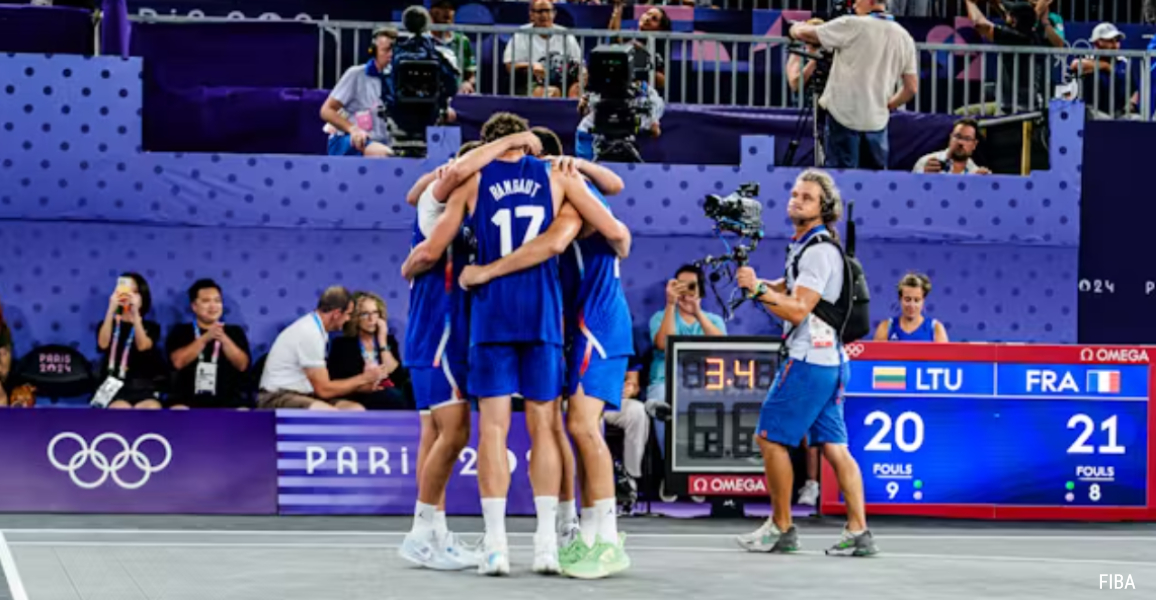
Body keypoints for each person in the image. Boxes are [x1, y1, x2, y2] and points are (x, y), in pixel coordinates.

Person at [421, 112, 611, 576]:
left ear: (485, 143)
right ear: (527, 144)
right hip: (543, 312)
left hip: (491, 312)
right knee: (545, 427)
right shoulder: (556, 176)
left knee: (493, 430)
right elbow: (612, 205)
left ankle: (496, 547)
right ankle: (546, 544)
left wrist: (437, 266)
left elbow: (433, 233)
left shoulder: (472, 182)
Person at [458, 151, 632, 579]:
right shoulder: (568, 188)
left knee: (582, 428)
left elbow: (616, 238)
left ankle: (606, 537)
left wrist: (484, 272)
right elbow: (614, 185)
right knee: (563, 428)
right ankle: (582, 530)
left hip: (599, 324)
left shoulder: (572, 201)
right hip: (572, 326)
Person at [396, 137, 533, 572]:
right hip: (439, 332)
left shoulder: (465, 209)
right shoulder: (442, 196)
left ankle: (433, 533)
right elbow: (443, 182)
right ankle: (422, 533)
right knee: (452, 434)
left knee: (434, 434)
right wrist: (511, 141)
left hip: (439, 332)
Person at [735, 169, 877, 557]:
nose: (797, 199)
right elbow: (790, 287)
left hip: (809, 362)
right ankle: (859, 531)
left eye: (807, 197)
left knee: (769, 437)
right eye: (795, 193)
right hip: (830, 361)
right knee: (835, 447)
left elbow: (798, 309)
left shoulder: (817, 251)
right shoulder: (808, 245)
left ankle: (781, 527)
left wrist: (757, 289)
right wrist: (764, 285)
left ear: (823, 208)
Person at [788, 0, 918, 170]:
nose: (854, 4)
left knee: (840, 182)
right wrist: (887, 105)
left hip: (843, 117)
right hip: (876, 121)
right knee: (874, 182)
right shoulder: (904, 36)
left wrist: (795, 28)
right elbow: (911, 88)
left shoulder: (852, 24)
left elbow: (808, 34)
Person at [257, 287, 388, 410]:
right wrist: (365, 378)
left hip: (305, 394)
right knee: (328, 414)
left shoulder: (319, 330)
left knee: (355, 410)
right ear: (336, 314)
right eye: (348, 314)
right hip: (277, 397)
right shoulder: (309, 332)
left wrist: (361, 386)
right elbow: (324, 390)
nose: (348, 319)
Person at [645, 264, 727, 449]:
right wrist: (670, 304)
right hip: (664, 382)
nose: (686, 291)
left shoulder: (713, 320)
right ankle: (669, 472)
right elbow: (663, 344)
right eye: (681, 285)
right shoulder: (660, 317)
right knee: (661, 401)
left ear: (701, 290)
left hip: (702, 384)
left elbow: (722, 347)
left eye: (691, 286)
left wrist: (697, 312)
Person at [166, 279, 251, 409]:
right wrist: (205, 337)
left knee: (243, 411)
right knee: (177, 411)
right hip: (187, 399)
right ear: (194, 306)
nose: (213, 306)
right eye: (206, 301)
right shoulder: (181, 331)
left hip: (228, 399)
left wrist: (223, 338)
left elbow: (242, 365)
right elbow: (178, 362)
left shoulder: (234, 332)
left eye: (217, 301)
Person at [321, 26, 397, 157]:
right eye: (386, 50)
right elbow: (326, 111)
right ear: (373, 51)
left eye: (394, 50)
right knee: (386, 155)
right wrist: (352, 129)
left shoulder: (398, 79)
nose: (391, 55)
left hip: (386, 142)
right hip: (351, 140)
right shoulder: (356, 74)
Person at [327, 291, 411, 410]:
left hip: (388, 392)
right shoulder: (342, 344)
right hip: (357, 394)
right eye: (365, 314)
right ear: (355, 318)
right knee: (393, 397)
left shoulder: (389, 340)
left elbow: (397, 376)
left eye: (375, 313)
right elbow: (337, 381)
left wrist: (382, 341)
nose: (371, 319)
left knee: (404, 394)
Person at [94, 273, 166, 409]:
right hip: (113, 387)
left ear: (142, 297)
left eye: (134, 292)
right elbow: (103, 344)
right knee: (120, 408)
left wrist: (135, 315)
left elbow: (143, 346)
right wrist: (111, 310)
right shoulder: (107, 325)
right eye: (125, 292)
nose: (129, 296)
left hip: (142, 385)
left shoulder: (151, 327)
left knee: (151, 408)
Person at [873, 273, 949, 342]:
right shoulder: (885, 328)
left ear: (923, 300)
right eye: (907, 299)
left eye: (917, 300)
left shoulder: (936, 329)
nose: (912, 305)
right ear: (900, 299)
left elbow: (945, 356)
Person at [912, 118, 991, 175]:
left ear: (974, 145)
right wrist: (925, 177)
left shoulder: (976, 174)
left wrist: (984, 184)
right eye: (958, 136)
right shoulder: (926, 162)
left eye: (967, 139)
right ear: (950, 138)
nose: (960, 142)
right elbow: (912, 192)